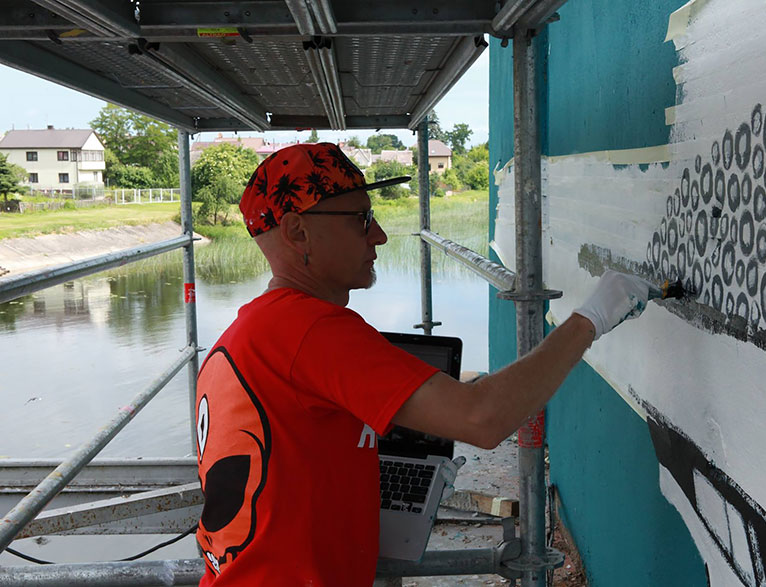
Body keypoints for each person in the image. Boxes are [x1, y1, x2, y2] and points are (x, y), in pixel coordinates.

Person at [194, 142, 653, 586]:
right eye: (361, 219)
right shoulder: (310, 330)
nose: (379, 234)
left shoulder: (252, 330)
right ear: (297, 232)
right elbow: (482, 418)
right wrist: (591, 318)